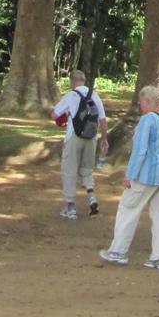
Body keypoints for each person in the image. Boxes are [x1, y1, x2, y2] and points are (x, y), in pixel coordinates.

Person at [99, 85, 159, 270]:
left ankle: (118, 251)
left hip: (146, 176)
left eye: (141, 103)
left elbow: (140, 151)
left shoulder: (147, 121)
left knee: (128, 209)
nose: (140, 107)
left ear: (148, 101)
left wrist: (130, 175)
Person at [52, 70, 108, 219]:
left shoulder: (71, 95)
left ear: (73, 81)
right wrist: (104, 139)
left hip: (74, 137)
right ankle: (92, 199)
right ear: (83, 80)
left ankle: (70, 207)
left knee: (69, 170)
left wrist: (66, 114)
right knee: (87, 170)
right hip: (91, 138)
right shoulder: (94, 95)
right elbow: (102, 120)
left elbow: (55, 114)